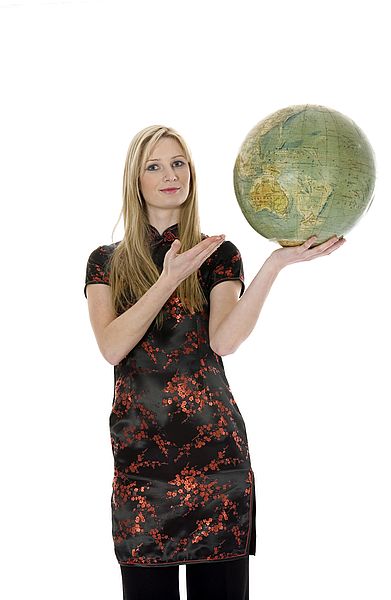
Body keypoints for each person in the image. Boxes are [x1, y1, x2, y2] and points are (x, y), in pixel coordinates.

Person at [84, 124, 346, 600]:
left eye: (179, 163)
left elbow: (224, 341)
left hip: (217, 465)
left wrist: (274, 266)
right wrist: (166, 280)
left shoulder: (219, 254)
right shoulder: (106, 261)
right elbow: (111, 347)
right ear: (134, 180)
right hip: (143, 470)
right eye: (155, 165)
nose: (170, 174)